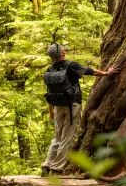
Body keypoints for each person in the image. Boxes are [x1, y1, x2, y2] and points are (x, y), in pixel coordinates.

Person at [41, 43, 120, 176]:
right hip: (72, 105)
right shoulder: (70, 65)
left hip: (57, 106)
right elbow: (90, 71)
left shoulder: (49, 70)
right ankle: (56, 169)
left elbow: (49, 91)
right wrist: (107, 73)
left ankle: (46, 166)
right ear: (61, 54)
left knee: (57, 137)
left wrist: (51, 110)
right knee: (67, 137)